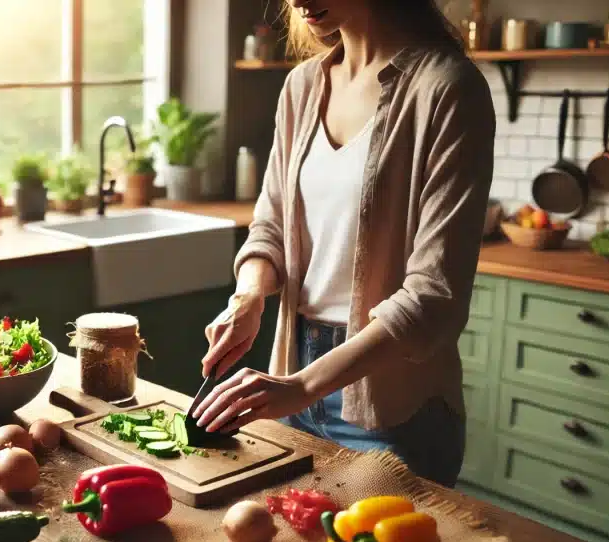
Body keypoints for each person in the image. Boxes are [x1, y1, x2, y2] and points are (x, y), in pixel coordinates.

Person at [191, 0, 495, 487]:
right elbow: (270, 224)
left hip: (390, 407)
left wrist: (304, 386)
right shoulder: (302, 86)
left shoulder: (447, 88)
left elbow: (433, 296)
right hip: (291, 370)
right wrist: (248, 297)